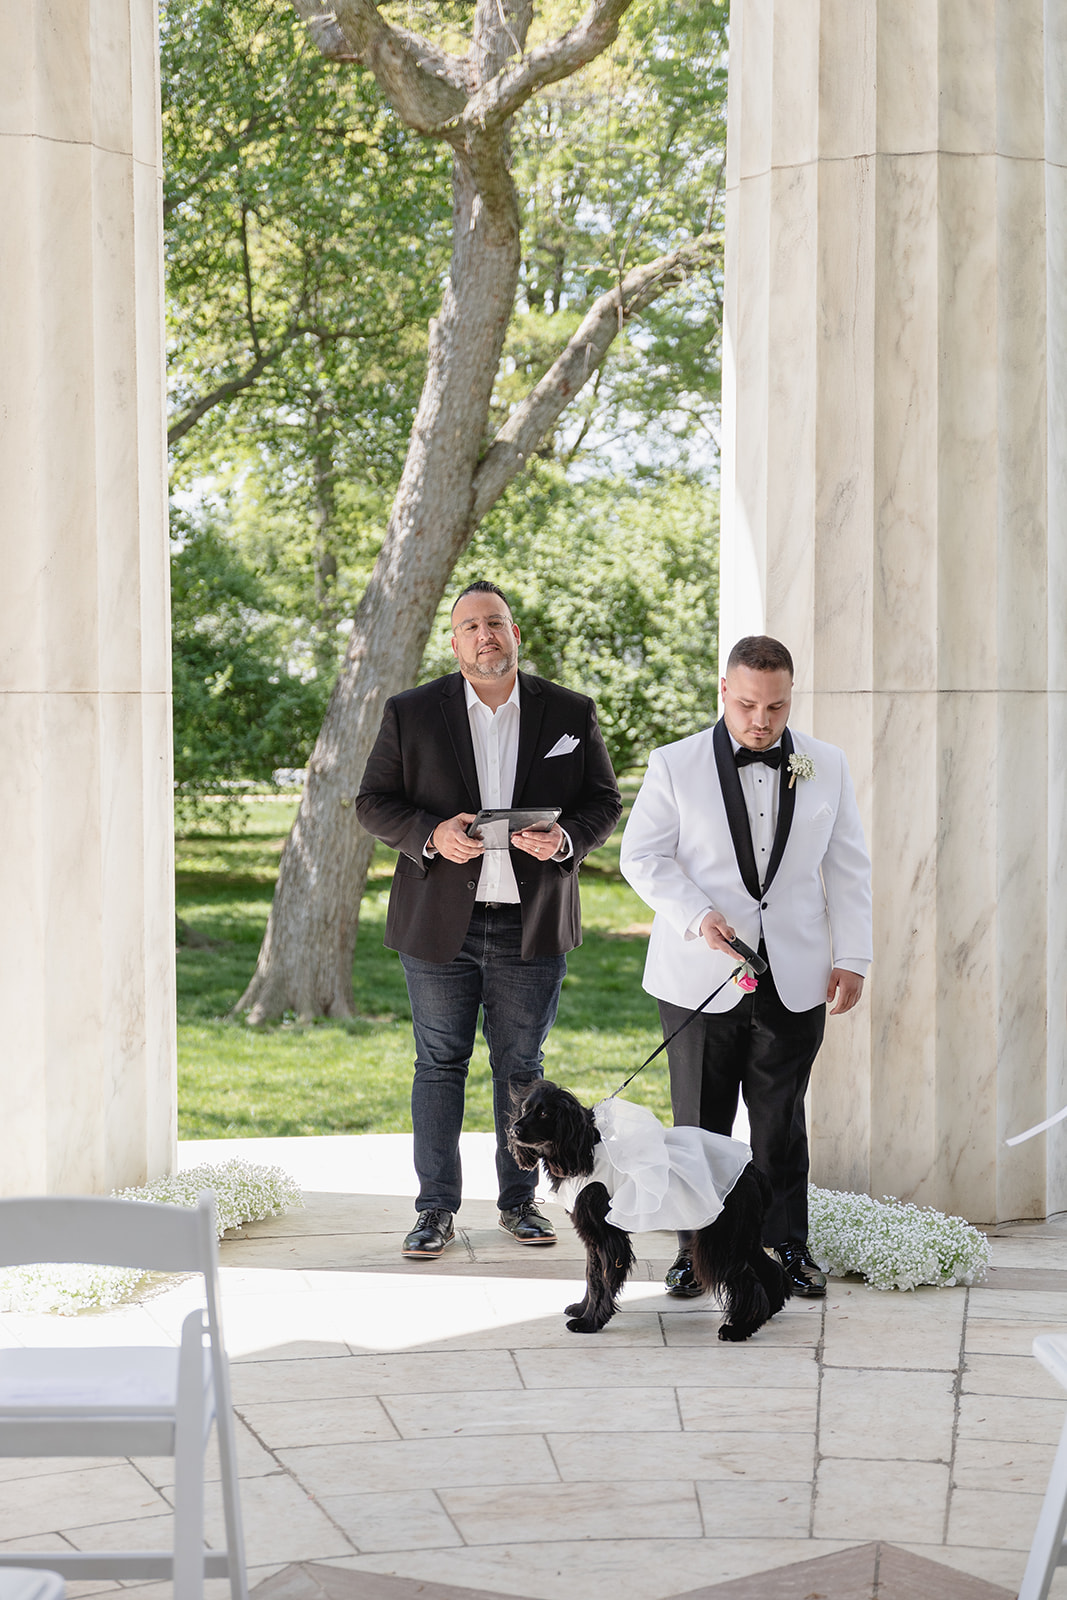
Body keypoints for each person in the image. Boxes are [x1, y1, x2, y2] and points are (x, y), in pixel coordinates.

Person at [356, 580, 622, 1259]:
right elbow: (372, 802)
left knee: (521, 1069)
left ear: (515, 633)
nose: (485, 635)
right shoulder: (411, 712)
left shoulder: (568, 712)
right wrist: (428, 834)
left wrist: (564, 842)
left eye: (496, 622)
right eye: (471, 625)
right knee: (439, 1065)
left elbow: (601, 801)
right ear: (454, 641)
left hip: (530, 925)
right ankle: (434, 1210)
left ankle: (518, 1203)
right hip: (439, 924)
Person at [619, 635, 872, 1298]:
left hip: (795, 975)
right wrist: (695, 915)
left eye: (777, 707)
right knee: (697, 1124)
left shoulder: (826, 764)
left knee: (779, 1123)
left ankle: (786, 1248)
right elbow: (641, 857)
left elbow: (847, 867)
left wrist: (851, 956)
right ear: (723, 693)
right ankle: (694, 1253)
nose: (761, 721)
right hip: (696, 977)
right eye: (749, 705)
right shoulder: (673, 764)